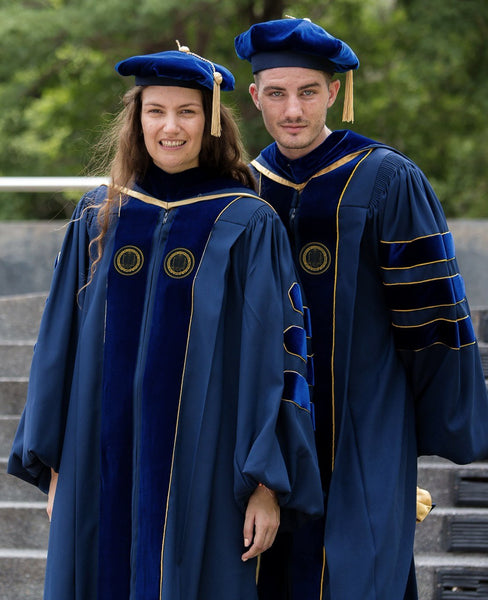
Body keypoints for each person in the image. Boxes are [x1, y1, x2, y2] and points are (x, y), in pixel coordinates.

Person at [7, 44, 324, 600]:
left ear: (212, 123)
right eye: (156, 111)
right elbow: (57, 343)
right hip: (96, 463)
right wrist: (55, 461)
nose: (170, 127)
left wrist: (267, 486)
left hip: (207, 471)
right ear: (137, 120)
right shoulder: (98, 214)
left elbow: (278, 358)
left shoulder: (247, 221)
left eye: (187, 112)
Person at [234, 17, 488, 600]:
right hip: (265, 429)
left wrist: (419, 425)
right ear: (255, 97)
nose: (292, 110)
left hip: (364, 416)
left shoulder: (385, 178)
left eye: (308, 92)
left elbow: (432, 315)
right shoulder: (242, 187)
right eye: (276, 93)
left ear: (334, 92)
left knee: (359, 572)